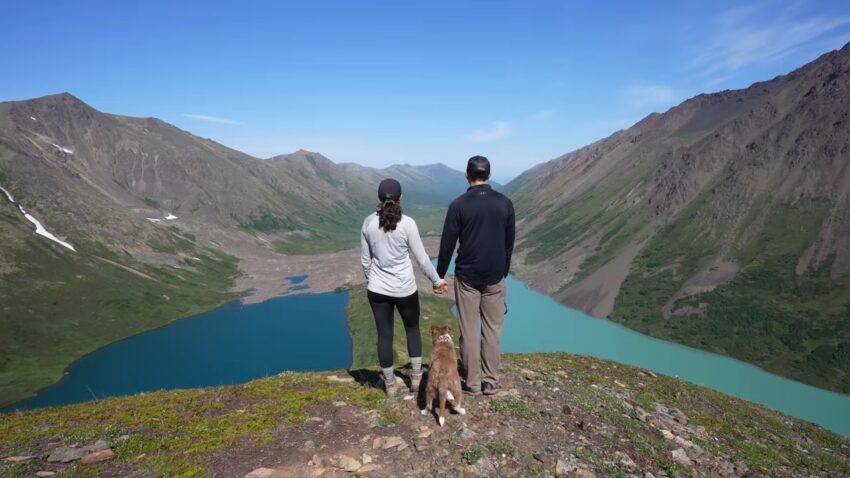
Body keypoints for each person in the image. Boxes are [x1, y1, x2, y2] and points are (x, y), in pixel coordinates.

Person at [436, 156, 515, 396]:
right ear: (489, 174)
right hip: (494, 276)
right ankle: (490, 381)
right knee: (492, 329)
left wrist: (439, 276)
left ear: (466, 175)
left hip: (467, 277)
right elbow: (509, 242)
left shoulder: (458, 205)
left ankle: (472, 384)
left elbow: (447, 245)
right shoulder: (505, 203)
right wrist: (503, 271)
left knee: (469, 330)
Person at [361, 178, 448, 396]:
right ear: (401, 198)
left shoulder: (368, 223)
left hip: (377, 291)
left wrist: (374, 280)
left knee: (384, 335)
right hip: (405, 290)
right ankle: (417, 379)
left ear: (379, 198)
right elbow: (422, 259)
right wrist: (437, 281)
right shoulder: (408, 223)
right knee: (412, 330)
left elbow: (365, 261)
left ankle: (390, 384)